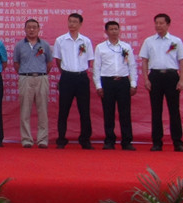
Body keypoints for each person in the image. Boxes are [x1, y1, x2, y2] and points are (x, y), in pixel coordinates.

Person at [139, 13, 183, 152]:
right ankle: (157, 142)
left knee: (174, 110)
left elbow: (182, 61)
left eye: (161, 23)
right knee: (156, 111)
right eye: (156, 23)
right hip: (155, 76)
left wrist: (182, 80)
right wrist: (146, 79)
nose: (158, 26)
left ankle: (177, 142)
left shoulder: (176, 41)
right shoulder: (149, 41)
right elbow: (144, 61)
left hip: (171, 76)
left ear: (168, 24)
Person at [94, 21, 138, 151]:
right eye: (111, 29)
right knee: (108, 113)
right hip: (107, 82)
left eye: (116, 29)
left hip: (123, 82)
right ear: (106, 32)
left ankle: (127, 141)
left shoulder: (126, 47)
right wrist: (98, 86)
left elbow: (132, 66)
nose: (114, 31)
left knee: (125, 113)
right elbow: (97, 68)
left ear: (119, 30)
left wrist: (133, 83)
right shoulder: (100, 47)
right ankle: (109, 140)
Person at [53, 13, 95, 150]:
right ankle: (61, 139)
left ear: (80, 24)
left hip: (82, 78)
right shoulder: (60, 40)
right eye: (70, 21)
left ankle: (85, 139)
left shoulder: (86, 41)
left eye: (75, 22)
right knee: (63, 110)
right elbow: (58, 59)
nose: (72, 24)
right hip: (67, 77)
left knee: (84, 110)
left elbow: (89, 60)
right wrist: (65, 72)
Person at [12, 19, 54, 149]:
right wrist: (25, 73)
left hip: (41, 78)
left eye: (34, 27)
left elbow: (49, 63)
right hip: (25, 78)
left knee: (43, 110)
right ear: (25, 29)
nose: (31, 30)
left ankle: (42, 139)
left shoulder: (45, 45)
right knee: (25, 110)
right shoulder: (19, 45)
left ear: (38, 29)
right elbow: (16, 63)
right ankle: (26, 139)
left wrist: (41, 73)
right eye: (29, 27)